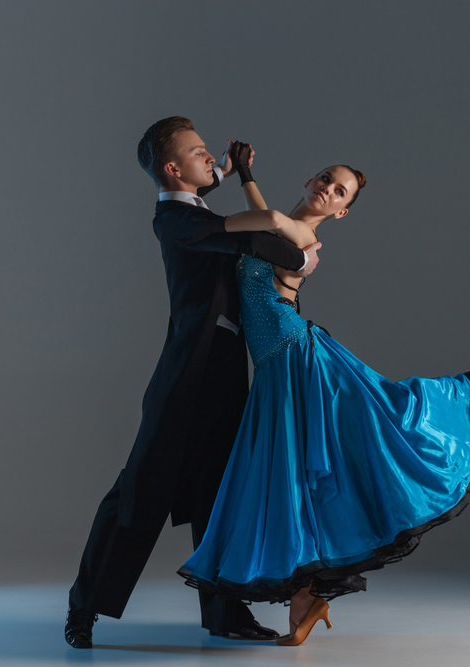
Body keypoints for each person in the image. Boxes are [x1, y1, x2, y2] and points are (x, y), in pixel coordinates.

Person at [177, 150, 470, 646]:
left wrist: (209, 217)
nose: (327, 188)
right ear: (309, 180)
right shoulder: (284, 230)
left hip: (296, 357)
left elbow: (271, 219)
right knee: (296, 479)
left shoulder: (302, 237)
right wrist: (246, 175)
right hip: (275, 366)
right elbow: (267, 218)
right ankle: (306, 597)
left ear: (341, 211)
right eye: (325, 178)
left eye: (339, 191)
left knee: (384, 420)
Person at [65, 117, 322, 648]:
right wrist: (298, 256)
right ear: (172, 168)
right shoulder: (174, 220)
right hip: (185, 376)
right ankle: (83, 608)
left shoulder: (193, 209)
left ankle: (225, 613)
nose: (208, 156)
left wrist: (229, 170)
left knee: (221, 495)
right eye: (197, 151)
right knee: (140, 491)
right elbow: (251, 238)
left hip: (225, 369)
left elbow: (215, 208)